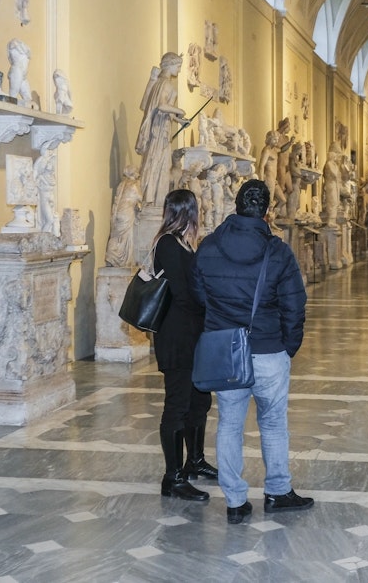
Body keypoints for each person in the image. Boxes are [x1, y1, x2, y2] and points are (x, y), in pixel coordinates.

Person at [192, 179, 310, 525]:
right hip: (269, 349)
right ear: (268, 210)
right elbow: (294, 305)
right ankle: (277, 491)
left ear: (236, 203)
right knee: (273, 423)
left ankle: (235, 500)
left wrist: (223, 320)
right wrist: (289, 345)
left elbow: (200, 295)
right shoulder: (278, 251)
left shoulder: (209, 246)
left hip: (227, 350)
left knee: (229, 423)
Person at [150, 189, 215, 502]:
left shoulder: (182, 243)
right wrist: (211, 307)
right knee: (177, 404)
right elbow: (184, 294)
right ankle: (172, 478)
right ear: (189, 212)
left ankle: (195, 461)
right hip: (177, 338)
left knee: (199, 400)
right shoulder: (167, 244)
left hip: (193, 336)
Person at [136, 53, 188, 206]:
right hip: (159, 132)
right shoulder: (165, 84)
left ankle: (153, 200)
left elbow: (164, 113)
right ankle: (153, 201)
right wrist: (180, 111)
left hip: (161, 130)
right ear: (169, 65)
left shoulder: (158, 82)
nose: (178, 71)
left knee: (156, 163)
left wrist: (179, 120)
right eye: (178, 67)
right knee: (157, 163)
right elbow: (161, 106)